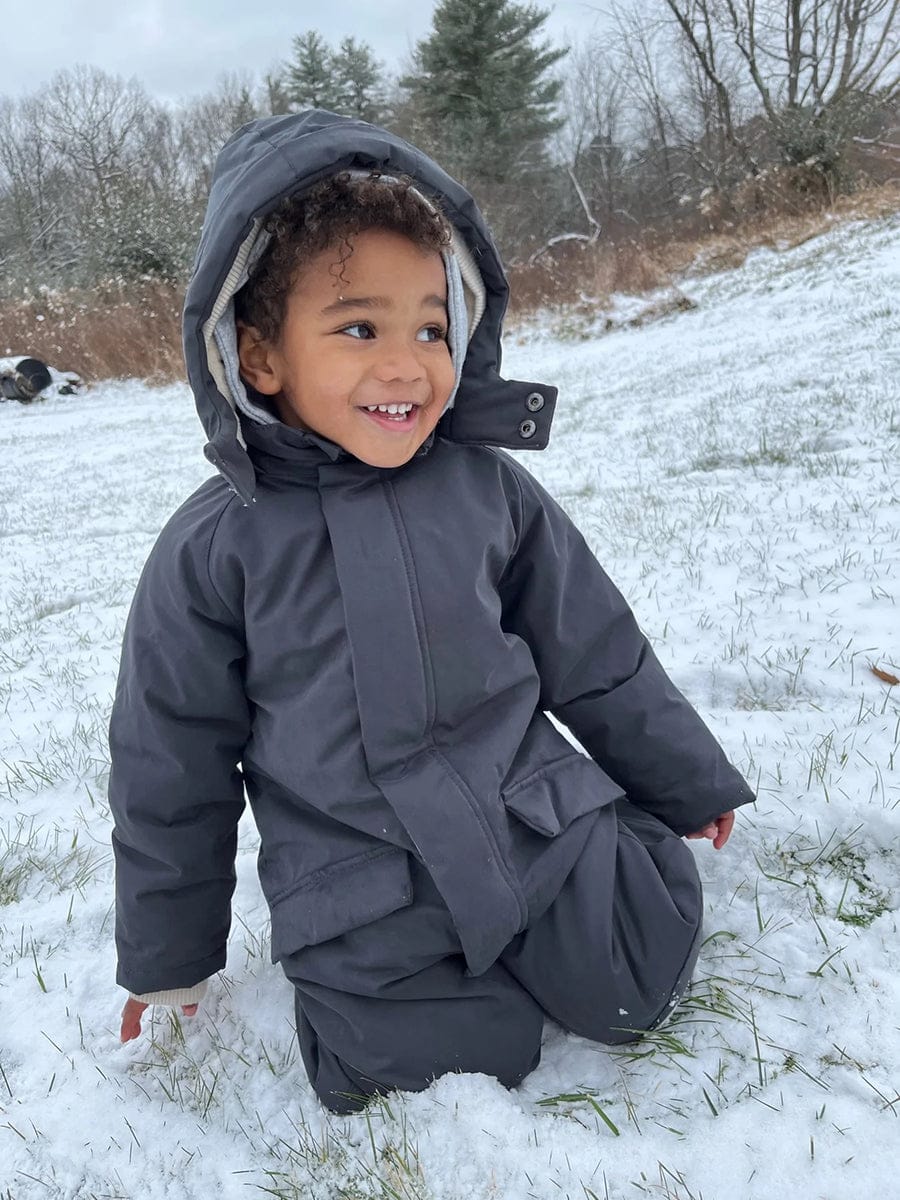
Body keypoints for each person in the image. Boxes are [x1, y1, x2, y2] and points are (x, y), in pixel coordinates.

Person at [110, 109, 754, 1114]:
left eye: (431, 327)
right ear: (260, 355)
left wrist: (683, 778)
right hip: (363, 884)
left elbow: (594, 647)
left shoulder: (487, 491)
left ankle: (601, 886)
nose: (407, 364)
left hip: (530, 821)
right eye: (359, 328)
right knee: (432, 1066)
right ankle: (406, 1004)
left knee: (636, 982)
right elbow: (169, 764)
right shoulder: (215, 549)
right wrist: (168, 958)